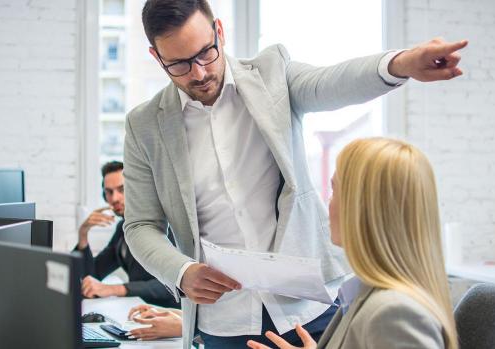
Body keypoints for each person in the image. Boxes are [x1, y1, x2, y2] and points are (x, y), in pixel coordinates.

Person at [122, 0, 467, 347]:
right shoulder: (144, 125)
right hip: (225, 321)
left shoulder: (272, 73)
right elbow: (140, 225)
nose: (198, 73)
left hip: (310, 305)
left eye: (205, 53)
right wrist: (181, 272)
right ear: (157, 58)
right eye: (179, 64)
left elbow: (330, 82)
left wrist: (402, 63)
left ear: (219, 33)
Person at [247, 138, 458, 349]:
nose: (328, 202)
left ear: (363, 208)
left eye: (334, 190)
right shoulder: (366, 294)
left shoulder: (394, 312)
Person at [74, 161, 179, 308]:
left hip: (169, 316)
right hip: (139, 311)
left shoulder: (164, 225)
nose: (115, 198)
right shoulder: (122, 229)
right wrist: (83, 233)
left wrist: (114, 289)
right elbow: (93, 274)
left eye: (122, 189)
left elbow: (175, 283)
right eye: (109, 192)